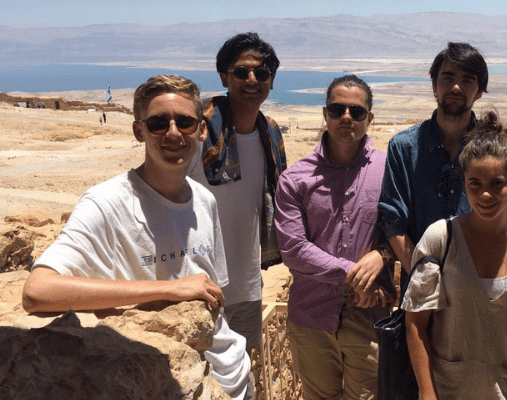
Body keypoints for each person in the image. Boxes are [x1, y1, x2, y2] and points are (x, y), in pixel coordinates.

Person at [21, 75, 254, 400]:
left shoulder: (204, 200)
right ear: (138, 131)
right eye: (158, 123)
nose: (173, 132)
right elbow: (37, 291)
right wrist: (168, 289)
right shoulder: (106, 203)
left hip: (234, 375)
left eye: (185, 122)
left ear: (201, 130)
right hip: (173, 383)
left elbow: (214, 299)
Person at [403, 111, 507, 400]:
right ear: (464, 182)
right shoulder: (440, 239)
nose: (485, 195)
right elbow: (416, 325)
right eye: (475, 184)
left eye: (496, 183)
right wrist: (428, 395)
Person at [275, 75, 393, 400]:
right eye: (338, 109)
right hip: (311, 316)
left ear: (369, 118)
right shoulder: (295, 178)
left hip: (369, 316)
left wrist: (383, 254)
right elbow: (294, 249)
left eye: (357, 111)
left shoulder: (389, 171)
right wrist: (355, 275)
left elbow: (403, 231)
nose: (346, 117)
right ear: (325, 114)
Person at [379, 42, 507, 294]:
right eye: (447, 78)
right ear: (434, 84)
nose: (456, 87)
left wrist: (478, 278)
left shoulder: (501, 149)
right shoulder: (403, 148)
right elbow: (393, 221)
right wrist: (425, 279)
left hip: (483, 288)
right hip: (421, 294)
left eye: (467, 80)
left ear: (479, 91)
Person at [188, 32, 288, 351]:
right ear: (224, 77)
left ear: (271, 81)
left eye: (262, 73)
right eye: (241, 72)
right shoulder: (197, 134)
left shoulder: (271, 135)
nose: (252, 80)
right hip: (196, 288)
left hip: (246, 288)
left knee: (243, 373)